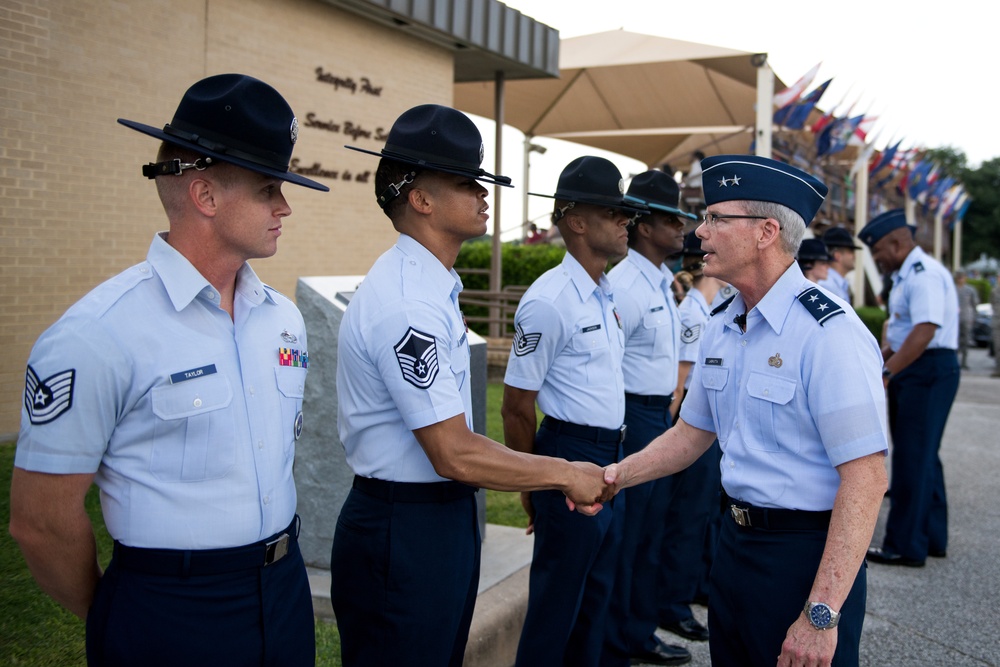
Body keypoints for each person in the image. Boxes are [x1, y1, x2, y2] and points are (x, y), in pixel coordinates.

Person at [9, 73, 330, 666]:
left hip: (284, 593)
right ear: (206, 196)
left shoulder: (281, 318)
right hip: (169, 609)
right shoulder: (98, 332)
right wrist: (118, 614)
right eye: (268, 189)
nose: (285, 206)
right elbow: (41, 522)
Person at [332, 106, 608, 667]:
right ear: (421, 200)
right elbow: (453, 451)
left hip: (438, 519)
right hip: (403, 525)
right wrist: (564, 473)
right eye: (467, 183)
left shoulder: (433, 287)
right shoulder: (408, 299)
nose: (485, 195)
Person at [604, 154, 889, 667]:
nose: (700, 231)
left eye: (716, 218)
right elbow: (690, 435)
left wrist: (821, 613)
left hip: (802, 559)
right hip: (735, 551)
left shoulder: (829, 333)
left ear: (766, 231)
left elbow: (866, 477)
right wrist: (614, 478)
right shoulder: (724, 322)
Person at [502, 155, 634, 667]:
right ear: (576, 221)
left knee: (593, 602)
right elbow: (516, 405)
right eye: (614, 213)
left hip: (610, 456)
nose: (627, 222)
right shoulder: (550, 300)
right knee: (558, 606)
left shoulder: (605, 293)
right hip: (568, 452)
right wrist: (536, 484)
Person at [603, 170, 695, 666]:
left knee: (650, 533)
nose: (682, 229)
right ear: (642, 225)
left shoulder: (659, 280)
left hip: (657, 416)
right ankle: (620, 638)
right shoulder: (626, 286)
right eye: (669, 220)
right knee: (630, 537)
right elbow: (609, 367)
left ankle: (637, 633)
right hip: (632, 417)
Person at [860, 209, 961, 568]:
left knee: (913, 457)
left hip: (927, 369)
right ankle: (931, 537)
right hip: (918, 367)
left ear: (897, 243)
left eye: (879, 253)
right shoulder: (906, 274)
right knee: (924, 454)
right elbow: (902, 334)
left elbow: (924, 331)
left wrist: (887, 372)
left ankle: (904, 545)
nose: (878, 261)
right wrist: (878, 361)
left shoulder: (923, 275)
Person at [819, 227, 863, 302]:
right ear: (837, 256)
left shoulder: (837, 283)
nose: (854, 256)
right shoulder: (827, 285)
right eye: (850, 252)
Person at [955, 269, 980, 369]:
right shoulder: (952, 289)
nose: (961, 279)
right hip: (955, 319)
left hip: (966, 318)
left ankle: (964, 362)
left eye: (962, 277)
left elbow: (974, 304)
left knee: (965, 340)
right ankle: (955, 360)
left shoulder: (970, 290)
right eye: (959, 277)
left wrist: (974, 317)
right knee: (955, 341)